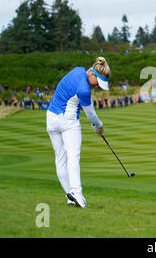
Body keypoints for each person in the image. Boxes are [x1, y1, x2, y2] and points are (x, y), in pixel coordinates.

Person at [46, 57, 111, 208]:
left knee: (60, 159)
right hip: (68, 121)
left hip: (51, 118)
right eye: (98, 83)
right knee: (73, 157)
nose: (98, 87)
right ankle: (77, 194)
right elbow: (91, 114)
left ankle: (70, 197)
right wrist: (99, 126)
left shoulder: (77, 70)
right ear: (93, 75)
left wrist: (96, 125)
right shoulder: (84, 89)